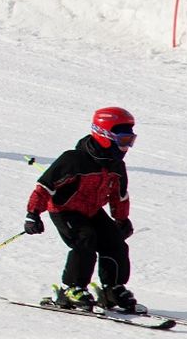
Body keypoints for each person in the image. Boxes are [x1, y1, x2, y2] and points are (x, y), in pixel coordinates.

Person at [22, 106, 140, 313]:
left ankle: (112, 288)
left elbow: (119, 195)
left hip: (91, 210)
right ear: (104, 135)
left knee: (114, 241)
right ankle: (72, 288)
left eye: (130, 141)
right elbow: (45, 187)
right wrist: (33, 215)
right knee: (85, 238)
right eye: (123, 141)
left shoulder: (115, 165)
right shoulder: (73, 160)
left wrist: (122, 220)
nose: (126, 147)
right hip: (65, 210)